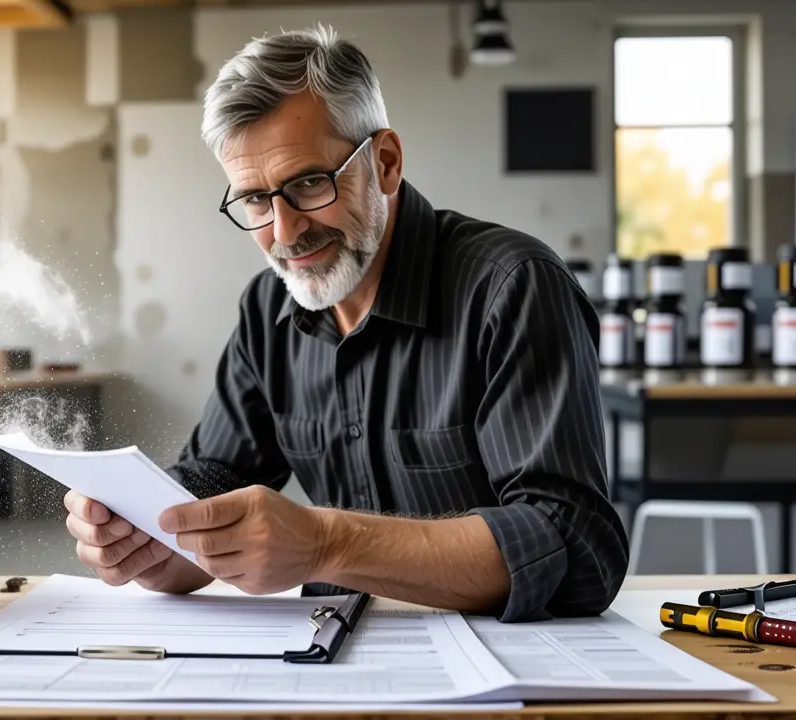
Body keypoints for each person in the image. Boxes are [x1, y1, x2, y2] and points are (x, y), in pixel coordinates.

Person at [64, 25, 628, 621]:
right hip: (330, 660)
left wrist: (326, 543)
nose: (284, 234)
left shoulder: (511, 288)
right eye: (255, 199)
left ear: (384, 162)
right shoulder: (267, 311)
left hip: (505, 680)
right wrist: (151, 529)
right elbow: (220, 474)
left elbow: (577, 548)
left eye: (309, 183)